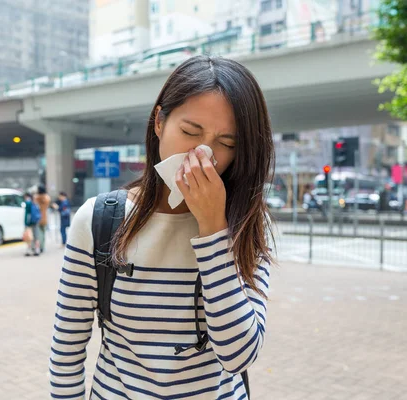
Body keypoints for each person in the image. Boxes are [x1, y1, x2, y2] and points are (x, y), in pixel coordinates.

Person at [50, 56, 274, 399]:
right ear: (159, 122)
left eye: (226, 144)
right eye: (189, 132)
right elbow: (67, 350)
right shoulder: (99, 221)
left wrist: (213, 229)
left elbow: (239, 354)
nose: (204, 154)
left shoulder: (245, 223)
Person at [34, 185, 51, 253]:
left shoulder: (36, 198)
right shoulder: (47, 197)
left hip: (38, 217)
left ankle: (39, 246)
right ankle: (42, 247)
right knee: (43, 233)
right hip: (45, 216)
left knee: (38, 233)